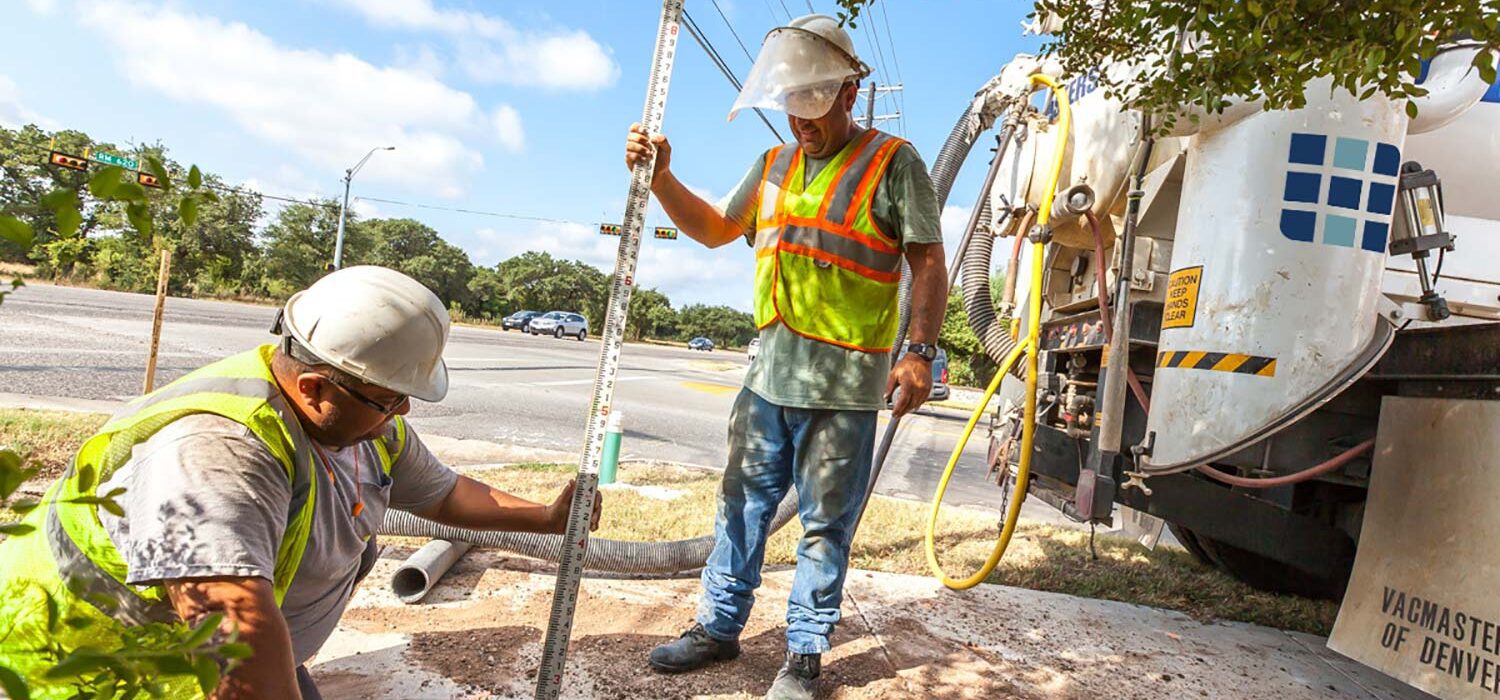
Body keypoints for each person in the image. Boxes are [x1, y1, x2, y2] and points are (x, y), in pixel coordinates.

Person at [0, 265, 601, 699]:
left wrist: (546, 518)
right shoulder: (219, 453)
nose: (404, 414)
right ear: (313, 388)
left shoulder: (364, 423)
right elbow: (232, 637)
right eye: (391, 399)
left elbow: (444, 492)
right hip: (106, 669)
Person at [624, 14, 946, 700]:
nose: (801, 124)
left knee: (825, 527)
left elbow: (928, 263)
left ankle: (804, 652)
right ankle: (717, 627)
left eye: (813, 108)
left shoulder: (895, 163)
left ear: (848, 95)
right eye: (792, 108)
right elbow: (713, 229)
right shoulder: (771, 166)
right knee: (740, 507)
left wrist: (918, 351)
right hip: (768, 379)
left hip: (845, 390)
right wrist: (662, 179)